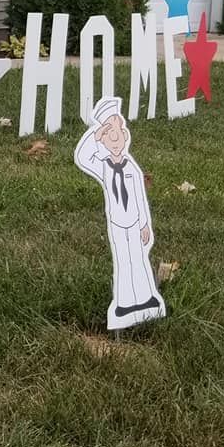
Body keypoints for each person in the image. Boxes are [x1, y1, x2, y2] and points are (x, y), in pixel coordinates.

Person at [73, 97, 166, 330]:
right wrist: (95, 134)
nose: (115, 138)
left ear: (125, 135)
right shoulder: (103, 165)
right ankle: (125, 302)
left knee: (139, 259)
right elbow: (84, 157)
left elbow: (139, 199)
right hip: (117, 223)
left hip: (134, 222)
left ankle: (145, 298)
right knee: (123, 260)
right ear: (102, 140)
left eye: (118, 131)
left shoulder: (132, 168)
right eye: (108, 133)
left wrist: (145, 224)